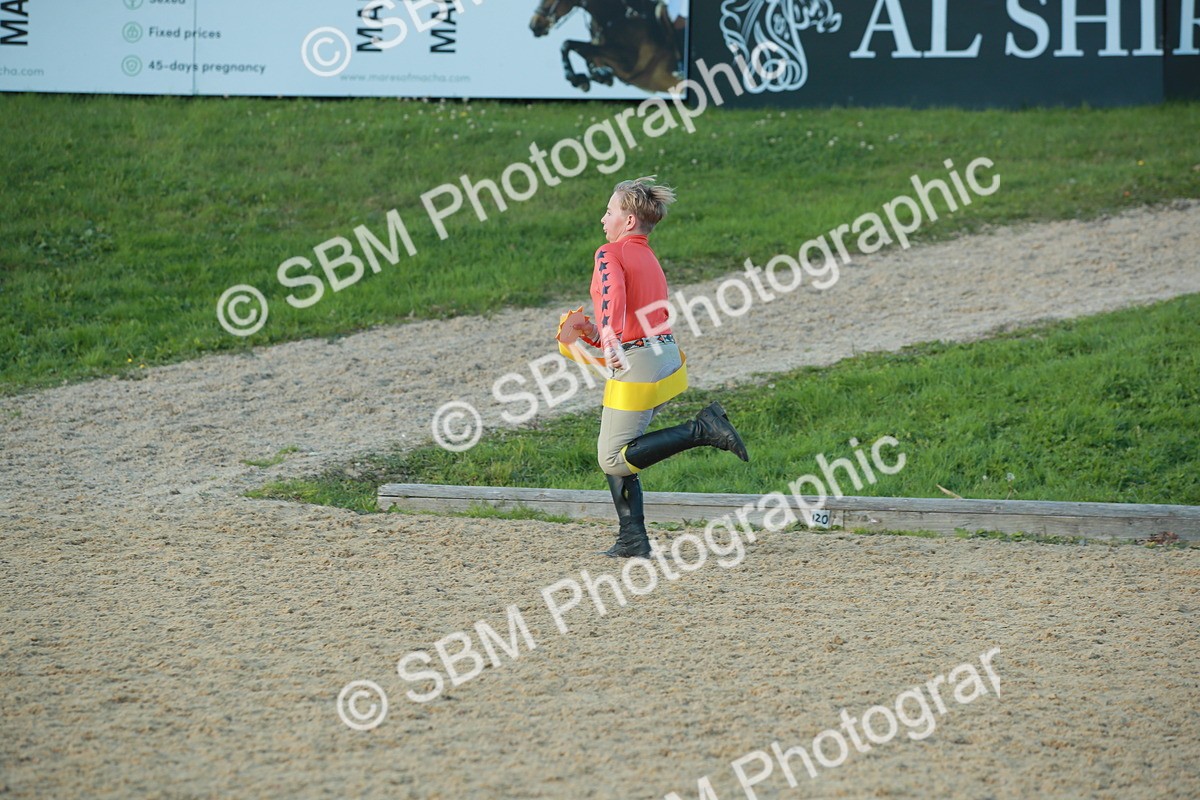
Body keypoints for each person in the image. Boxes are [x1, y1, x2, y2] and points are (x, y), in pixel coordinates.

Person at [560, 176, 749, 559]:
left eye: (610, 211)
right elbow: (635, 314)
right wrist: (595, 334)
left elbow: (613, 295)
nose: (603, 219)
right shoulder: (648, 256)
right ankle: (633, 539)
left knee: (612, 457)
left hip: (637, 362)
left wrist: (609, 335)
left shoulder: (608, 253)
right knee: (622, 452)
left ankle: (703, 429)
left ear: (628, 220)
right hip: (663, 356)